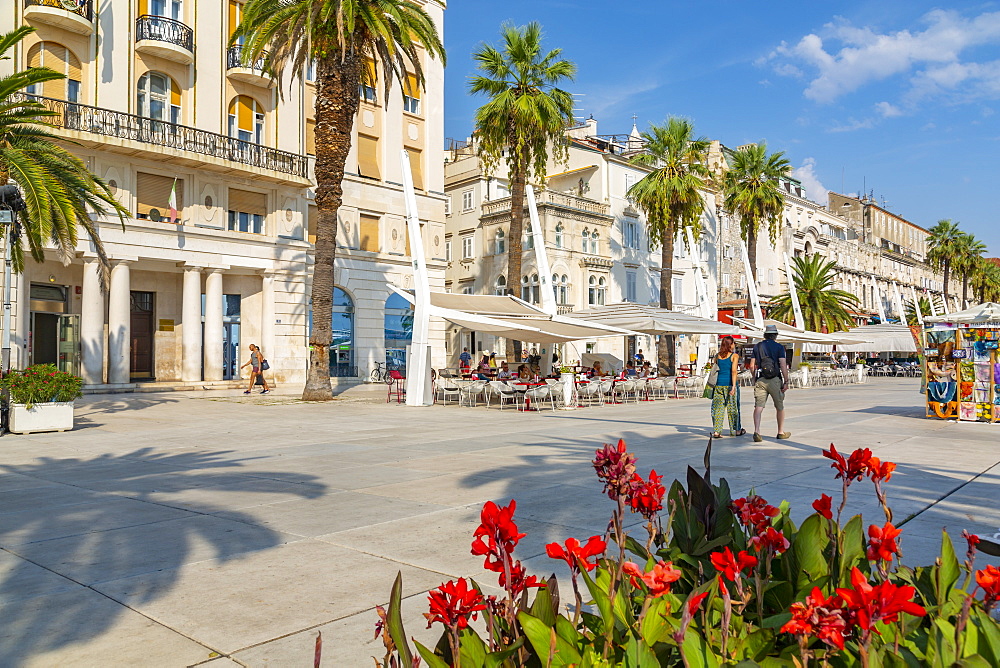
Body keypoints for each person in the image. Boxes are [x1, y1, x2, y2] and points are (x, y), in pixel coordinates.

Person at [748, 325, 790, 442]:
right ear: (775, 335)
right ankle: (780, 432)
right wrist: (786, 381)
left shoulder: (757, 347)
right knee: (779, 407)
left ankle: (757, 431)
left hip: (761, 379)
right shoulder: (779, 347)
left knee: (758, 406)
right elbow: (783, 365)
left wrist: (754, 377)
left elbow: (752, 365)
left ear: (765, 335)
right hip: (775, 380)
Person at [707, 336, 745, 438]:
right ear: (730, 344)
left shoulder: (717, 356)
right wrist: (733, 387)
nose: (734, 345)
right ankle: (736, 430)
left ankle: (717, 431)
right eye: (733, 343)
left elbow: (715, 369)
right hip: (729, 384)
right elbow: (734, 371)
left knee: (718, 409)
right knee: (733, 409)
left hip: (718, 385)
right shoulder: (734, 356)